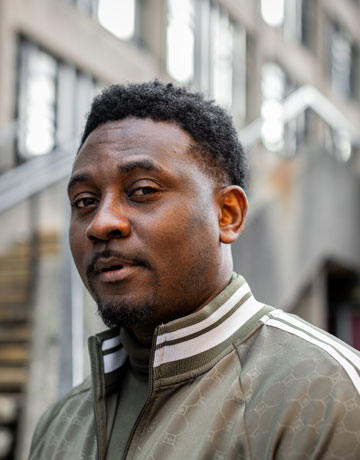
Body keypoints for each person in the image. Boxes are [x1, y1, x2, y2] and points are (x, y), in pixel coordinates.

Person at [29, 81, 360, 460]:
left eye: (143, 190)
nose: (101, 223)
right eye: (85, 201)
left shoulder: (326, 398)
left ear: (227, 214)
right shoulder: (61, 422)